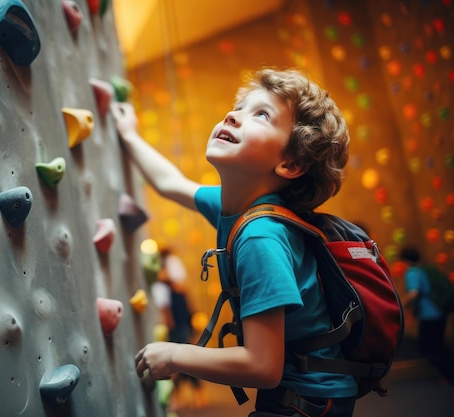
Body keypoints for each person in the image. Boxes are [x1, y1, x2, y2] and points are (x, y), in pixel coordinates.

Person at [112, 68, 357, 417]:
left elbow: (262, 366)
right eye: (239, 107)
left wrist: (173, 354)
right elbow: (170, 182)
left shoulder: (261, 238)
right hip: (305, 396)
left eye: (261, 114)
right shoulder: (236, 206)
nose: (233, 115)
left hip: (308, 403)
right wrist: (129, 135)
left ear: (290, 163)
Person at [151, 247, 205, 410]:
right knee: (176, 358)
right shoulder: (160, 277)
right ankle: (180, 395)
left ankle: (197, 392)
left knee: (186, 354)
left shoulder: (171, 263)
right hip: (174, 320)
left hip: (181, 317)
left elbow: (179, 285)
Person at [399, 245, 454, 384]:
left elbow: (414, 293)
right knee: (438, 344)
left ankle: (449, 374)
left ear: (405, 260)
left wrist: (400, 305)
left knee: (426, 346)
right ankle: (448, 373)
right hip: (439, 311)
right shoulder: (425, 269)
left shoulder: (412, 272)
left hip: (429, 314)